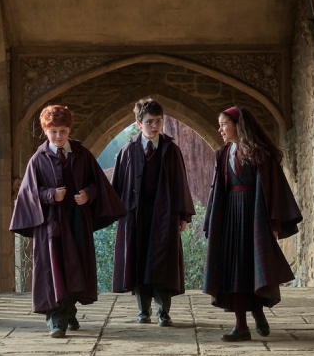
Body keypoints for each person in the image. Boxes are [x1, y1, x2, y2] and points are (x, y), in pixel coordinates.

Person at [11, 104, 125, 338]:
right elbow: (30, 192)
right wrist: (51, 195)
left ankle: (69, 310)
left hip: (76, 222)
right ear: (45, 131)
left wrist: (88, 195)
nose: (59, 136)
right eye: (53, 132)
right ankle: (55, 319)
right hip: (51, 225)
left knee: (75, 268)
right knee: (52, 269)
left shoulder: (82, 154)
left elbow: (97, 183)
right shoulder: (37, 159)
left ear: (69, 129)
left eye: (63, 131)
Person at [203, 105, 302, 342]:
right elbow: (217, 191)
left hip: (255, 217)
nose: (220, 129)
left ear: (239, 125)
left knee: (252, 268)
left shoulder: (260, 155)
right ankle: (241, 326)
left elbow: (274, 190)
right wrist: (213, 223)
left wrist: (274, 223)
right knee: (234, 270)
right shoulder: (223, 155)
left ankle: (257, 313)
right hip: (230, 219)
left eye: (224, 124)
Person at [111, 98, 196, 326]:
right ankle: (143, 311)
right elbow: (118, 186)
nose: (154, 126)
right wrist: (119, 215)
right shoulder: (128, 151)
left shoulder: (171, 150)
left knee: (162, 263)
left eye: (158, 121)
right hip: (135, 216)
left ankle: (163, 312)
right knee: (139, 262)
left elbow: (181, 184)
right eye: (149, 122)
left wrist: (182, 216)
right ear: (139, 124)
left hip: (164, 216)